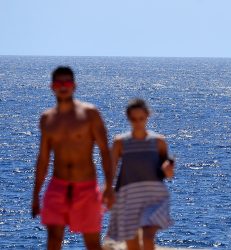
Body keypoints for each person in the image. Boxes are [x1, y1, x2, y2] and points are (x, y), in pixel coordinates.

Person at [31, 66, 115, 250]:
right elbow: (43, 159)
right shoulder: (47, 118)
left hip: (85, 187)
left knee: (92, 243)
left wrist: (109, 186)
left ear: (74, 86)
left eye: (67, 82)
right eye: (59, 83)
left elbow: (105, 152)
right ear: (52, 86)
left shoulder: (89, 114)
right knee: (53, 241)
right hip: (57, 186)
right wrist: (36, 195)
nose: (63, 86)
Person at [107, 98, 174, 250]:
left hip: (153, 198)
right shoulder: (120, 142)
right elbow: (111, 170)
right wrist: (109, 192)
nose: (137, 122)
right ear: (128, 118)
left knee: (148, 239)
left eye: (141, 118)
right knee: (133, 245)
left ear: (147, 116)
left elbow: (167, 174)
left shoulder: (159, 142)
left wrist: (168, 170)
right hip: (128, 198)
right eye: (133, 119)